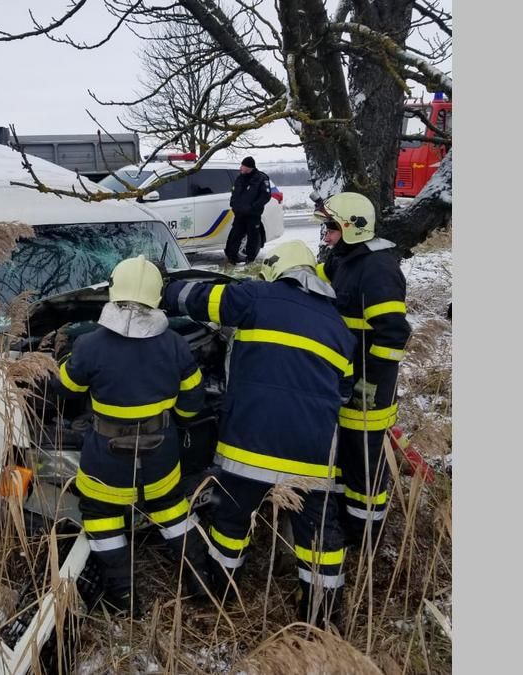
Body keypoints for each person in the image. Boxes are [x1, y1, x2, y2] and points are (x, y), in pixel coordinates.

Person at [163, 241, 356, 628]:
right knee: (319, 538)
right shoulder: (339, 327)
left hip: (248, 448)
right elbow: (344, 394)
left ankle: (220, 595)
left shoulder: (256, 296)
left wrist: (164, 288)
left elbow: (197, 299)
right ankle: (323, 617)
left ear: (277, 271)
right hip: (312, 457)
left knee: (231, 524)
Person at [56, 255, 211, 616]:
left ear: (114, 292)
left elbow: (65, 388)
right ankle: (201, 582)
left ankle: (125, 598)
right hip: (161, 456)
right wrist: (176, 419)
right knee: (172, 510)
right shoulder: (176, 344)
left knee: (101, 516)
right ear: (156, 296)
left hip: (106, 460)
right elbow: (193, 403)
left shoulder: (90, 345)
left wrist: (63, 359)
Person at [314, 192, 412, 549]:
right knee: (345, 459)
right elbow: (318, 279)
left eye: (331, 228)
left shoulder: (377, 269)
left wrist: (369, 383)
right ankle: (344, 522)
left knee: (364, 466)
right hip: (346, 381)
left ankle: (367, 537)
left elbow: (394, 334)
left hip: (367, 388)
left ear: (352, 227)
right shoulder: (344, 259)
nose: (326, 236)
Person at [224, 156, 272, 265]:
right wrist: (233, 204)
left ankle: (250, 260)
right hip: (239, 214)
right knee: (235, 236)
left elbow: (266, 196)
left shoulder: (261, 178)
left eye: (242, 166)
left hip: (253, 215)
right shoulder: (240, 178)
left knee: (252, 238)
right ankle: (231, 259)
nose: (240, 168)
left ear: (249, 167)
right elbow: (234, 192)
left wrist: (253, 207)